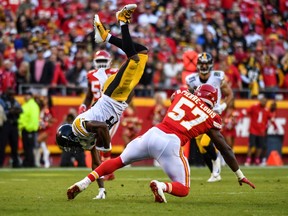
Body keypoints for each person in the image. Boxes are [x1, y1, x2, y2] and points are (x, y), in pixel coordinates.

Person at [66, 84, 255, 203]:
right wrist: (239, 174)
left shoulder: (182, 94)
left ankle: (84, 182)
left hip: (153, 133)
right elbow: (224, 147)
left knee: (118, 161)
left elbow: (175, 97)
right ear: (213, 101)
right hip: (171, 143)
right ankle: (161, 186)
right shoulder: (212, 116)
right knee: (183, 189)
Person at [56, 4, 148, 199]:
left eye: (68, 144)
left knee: (133, 58)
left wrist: (106, 149)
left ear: (69, 136)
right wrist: (101, 189)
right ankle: (106, 37)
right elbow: (96, 163)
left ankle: (121, 21)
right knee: (142, 52)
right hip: (118, 100)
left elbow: (102, 129)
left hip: (112, 96)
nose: (71, 148)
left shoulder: (79, 126)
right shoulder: (83, 135)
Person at [185, 52, 234, 182]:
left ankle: (217, 159)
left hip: (213, 114)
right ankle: (214, 173)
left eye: (206, 63)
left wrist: (222, 107)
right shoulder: (191, 80)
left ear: (211, 64)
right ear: (197, 65)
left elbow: (229, 94)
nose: (204, 66)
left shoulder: (218, 77)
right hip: (199, 115)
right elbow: (189, 97)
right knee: (200, 146)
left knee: (206, 142)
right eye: (202, 63)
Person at [78, 49, 118, 182]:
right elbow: (89, 95)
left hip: (110, 110)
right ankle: (104, 169)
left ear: (109, 62)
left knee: (104, 139)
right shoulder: (91, 75)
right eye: (99, 61)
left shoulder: (115, 73)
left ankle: (107, 170)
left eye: (103, 61)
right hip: (96, 111)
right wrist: (84, 105)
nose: (101, 64)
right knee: (97, 140)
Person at [243, 96, 276, 166]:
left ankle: (257, 159)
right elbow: (246, 112)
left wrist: (275, 125)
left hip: (261, 131)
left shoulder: (267, 110)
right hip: (253, 130)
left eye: (265, 101)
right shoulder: (254, 107)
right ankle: (248, 159)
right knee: (251, 145)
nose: (264, 102)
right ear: (260, 101)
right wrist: (240, 116)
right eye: (263, 101)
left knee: (259, 146)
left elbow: (271, 118)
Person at [0, 88, 22, 168]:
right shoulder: (2, 100)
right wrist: (10, 111)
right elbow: (2, 111)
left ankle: (15, 163)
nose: (12, 95)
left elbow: (20, 110)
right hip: (6, 124)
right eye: (10, 93)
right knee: (2, 144)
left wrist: (14, 110)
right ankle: (1, 163)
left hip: (14, 124)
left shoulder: (14, 101)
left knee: (14, 145)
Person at [18, 90, 40, 167]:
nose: (26, 96)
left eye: (27, 95)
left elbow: (34, 119)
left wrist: (29, 128)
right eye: (25, 95)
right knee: (27, 147)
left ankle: (29, 162)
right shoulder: (27, 105)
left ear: (31, 96)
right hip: (25, 128)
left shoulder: (32, 105)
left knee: (29, 147)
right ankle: (28, 161)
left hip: (29, 129)